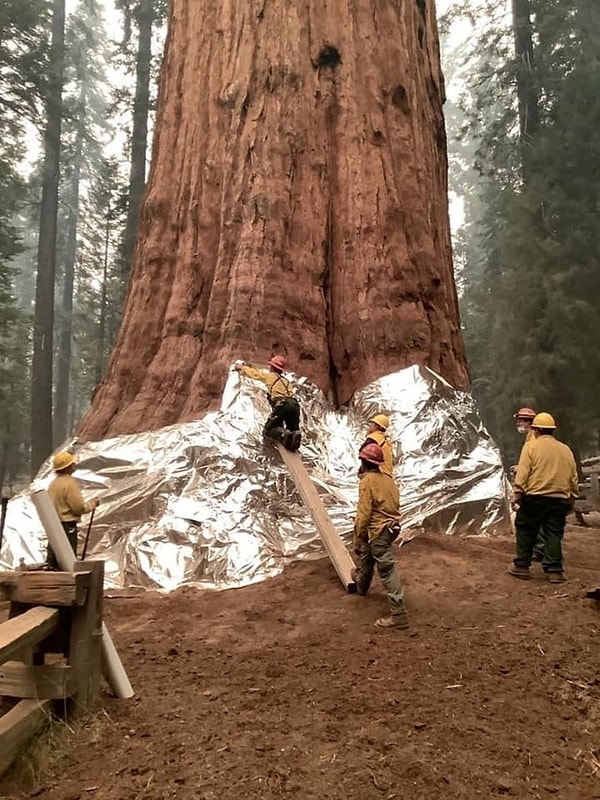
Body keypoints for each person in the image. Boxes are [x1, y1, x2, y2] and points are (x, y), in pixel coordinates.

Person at [508, 412, 578, 583]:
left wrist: (517, 494)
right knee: (553, 534)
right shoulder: (565, 449)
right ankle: (555, 571)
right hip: (559, 498)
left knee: (525, 530)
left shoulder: (531, 447)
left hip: (535, 498)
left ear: (536, 430)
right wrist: (572, 498)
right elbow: (573, 476)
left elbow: (523, 472)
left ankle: (522, 566)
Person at [351, 443, 408, 629]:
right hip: (390, 528)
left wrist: (357, 538)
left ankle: (398, 614)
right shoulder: (388, 480)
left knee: (387, 569)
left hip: (379, 530)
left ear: (363, 462)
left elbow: (363, 514)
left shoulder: (367, 482)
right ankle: (361, 584)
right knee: (368, 553)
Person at [235, 355, 302, 451]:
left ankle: (283, 435)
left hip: (283, 404)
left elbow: (255, 374)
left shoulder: (270, 376)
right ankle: (295, 434)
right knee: (292, 428)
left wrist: (242, 368)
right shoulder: (286, 381)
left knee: (269, 429)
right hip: (294, 405)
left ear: (272, 367)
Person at [47, 451, 100, 569]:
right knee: (68, 559)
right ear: (67, 467)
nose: (74, 465)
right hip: (67, 527)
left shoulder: (53, 484)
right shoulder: (69, 484)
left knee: (53, 559)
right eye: (72, 463)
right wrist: (93, 504)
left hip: (54, 525)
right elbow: (78, 508)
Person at [512, 406, 546, 562]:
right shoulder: (532, 438)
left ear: (528, 422)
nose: (518, 424)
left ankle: (537, 550)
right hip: (539, 484)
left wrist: (518, 490)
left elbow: (532, 464)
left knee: (530, 520)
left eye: (520, 421)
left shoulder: (533, 440)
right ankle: (541, 548)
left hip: (535, 486)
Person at [360, 414, 394, 478]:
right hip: (388, 475)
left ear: (378, 426)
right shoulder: (385, 441)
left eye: (373, 423)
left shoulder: (373, 438)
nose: (370, 425)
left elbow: (363, 455)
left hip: (378, 472)